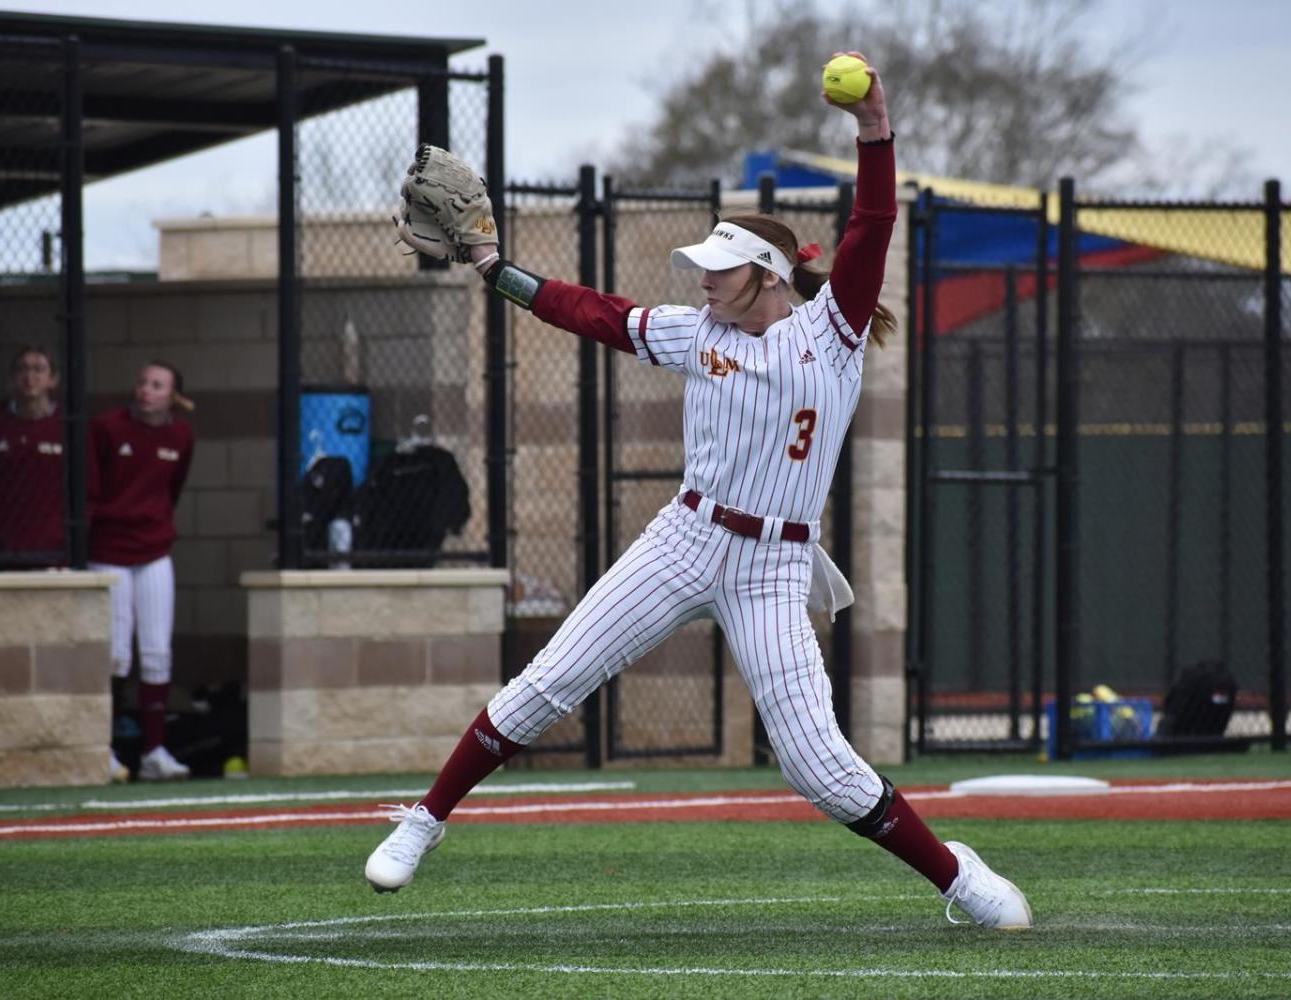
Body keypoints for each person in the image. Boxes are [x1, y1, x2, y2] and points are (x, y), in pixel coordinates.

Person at [365, 54, 1032, 929]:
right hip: (684, 540)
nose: (702, 276)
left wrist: (875, 130)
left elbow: (871, 221)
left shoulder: (827, 335)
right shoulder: (693, 331)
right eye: (703, 264)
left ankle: (956, 878)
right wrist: (495, 267)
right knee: (547, 683)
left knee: (820, 769)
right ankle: (424, 820)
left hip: (771, 566)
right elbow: (593, 312)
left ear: (765, 273)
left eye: (720, 266)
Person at [87, 361, 195, 782]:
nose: (146, 390)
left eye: (157, 385)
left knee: (156, 653)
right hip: (109, 550)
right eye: (143, 382)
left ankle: (153, 751)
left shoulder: (181, 435)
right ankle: (107, 751)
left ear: (172, 395)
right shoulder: (107, 428)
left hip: (153, 551)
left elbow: (173, 488)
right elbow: (92, 489)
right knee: (115, 655)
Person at [0, 346, 65, 558]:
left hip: (55, 541)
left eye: (38, 369)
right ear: (12, 377)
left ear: (53, 379)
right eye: (22, 369)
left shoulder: (67, 424)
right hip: (0, 541)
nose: (29, 376)